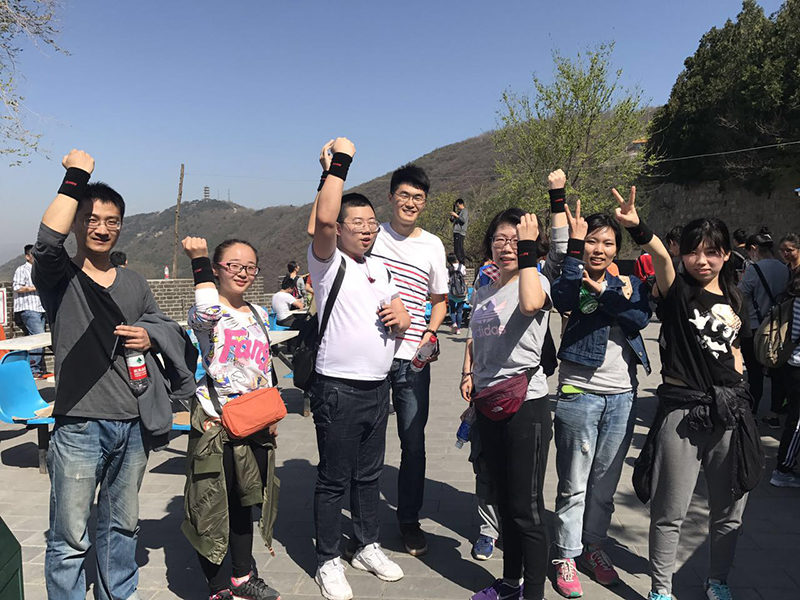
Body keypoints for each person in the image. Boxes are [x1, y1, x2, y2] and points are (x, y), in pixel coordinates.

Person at [34, 149, 194, 600]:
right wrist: (76, 176)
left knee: (121, 529)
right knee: (69, 538)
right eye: (91, 219)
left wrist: (149, 336)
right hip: (79, 424)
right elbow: (46, 242)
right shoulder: (59, 278)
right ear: (77, 223)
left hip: (133, 424)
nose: (102, 228)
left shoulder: (134, 282)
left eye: (112, 221)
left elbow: (165, 327)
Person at [614, 187, 763, 600]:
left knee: (729, 510)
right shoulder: (677, 292)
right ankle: (661, 589)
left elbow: (736, 350)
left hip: (730, 412)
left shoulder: (735, 299)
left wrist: (740, 387)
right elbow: (661, 258)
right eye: (694, 251)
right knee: (670, 511)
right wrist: (638, 227)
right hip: (683, 413)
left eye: (712, 252)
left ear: (726, 255)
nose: (702, 260)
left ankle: (718, 581)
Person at [308, 137, 410, 600]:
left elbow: (398, 310)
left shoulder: (379, 269)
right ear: (340, 228)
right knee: (333, 479)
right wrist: (339, 165)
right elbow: (323, 218)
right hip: (338, 390)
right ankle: (328, 559)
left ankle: (366, 544)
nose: (367, 230)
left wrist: (403, 316)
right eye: (358, 223)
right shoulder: (328, 263)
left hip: (377, 388)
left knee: (369, 475)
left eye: (372, 223)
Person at [550, 203, 652, 598]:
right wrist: (573, 251)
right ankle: (566, 555)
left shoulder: (628, 283)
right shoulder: (571, 276)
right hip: (579, 393)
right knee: (573, 485)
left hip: (622, 396)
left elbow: (638, 319)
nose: (599, 249)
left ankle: (592, 546)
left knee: (605, 486)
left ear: (617, 249)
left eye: (607, 243)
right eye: (592, 241)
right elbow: (561, 298)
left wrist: (604, 292)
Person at [181, 236, 282, 600]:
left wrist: (272, 412)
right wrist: (198, 260)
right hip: (217, 425)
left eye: (250, 267)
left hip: (253, 424)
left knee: (244, 501)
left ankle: (242, 576)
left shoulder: (258, 313)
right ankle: (217, 587)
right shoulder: (204, 315)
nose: (243, 273)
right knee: (211, 505)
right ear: (217, 269)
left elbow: (263, 367)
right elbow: (207, 312)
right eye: (234, 265)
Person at [461, 208, 552, 600]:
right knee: (503, 501)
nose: (507, 247)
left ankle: (534, 593)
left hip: (525, 405)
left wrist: (529, 251)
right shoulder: (485, 288)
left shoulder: (535, 280)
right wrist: (468, 374)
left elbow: (531, 305)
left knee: (526, 508)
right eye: (500, 239)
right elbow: (476, 340)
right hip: (489, 403)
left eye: (516, 240)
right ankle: (511, 582)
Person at [738, 227, 790, 425]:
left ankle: (751, 411)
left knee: (754, 372)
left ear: (753, 249)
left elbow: (740, 294)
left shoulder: (754, 269)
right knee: (777, 372)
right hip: (779, 328)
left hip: (755, 328)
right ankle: (774, 413)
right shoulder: (785, 268)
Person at [769, 274, 800, 487]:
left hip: (792, 364)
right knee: (797, 423)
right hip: (798, 365)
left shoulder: (794, 299)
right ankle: (783, 469)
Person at [12, 244, 49, 377]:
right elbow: (17, 287)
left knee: (39, 339)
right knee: (38, 337)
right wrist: (36, 287)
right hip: (29, 307)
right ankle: (34, 369)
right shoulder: (22, 270)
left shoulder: (40, 270)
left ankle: (37, 368)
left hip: (40, 307)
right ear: (27, 256)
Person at [447, 252, 468, 334]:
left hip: (452, 292)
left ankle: (454, 323)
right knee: (459, 311)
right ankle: (458, 329)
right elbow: (464, 276)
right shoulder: (462, 267)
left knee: (452, 310)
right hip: (462, 292)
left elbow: (447, 280)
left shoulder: (448, 268)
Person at [450, 198, 469, 263]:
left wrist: (456, 216)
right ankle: (458, 262)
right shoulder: (459, 212)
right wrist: (453, 216)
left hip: (460, 232)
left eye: (458, 206)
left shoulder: (465, 211)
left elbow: (463, 220)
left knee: (459, 249)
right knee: (456, 249)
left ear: (461, 204)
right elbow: (452, 220)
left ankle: (461, 263)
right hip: (456, 232)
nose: (457, 207)